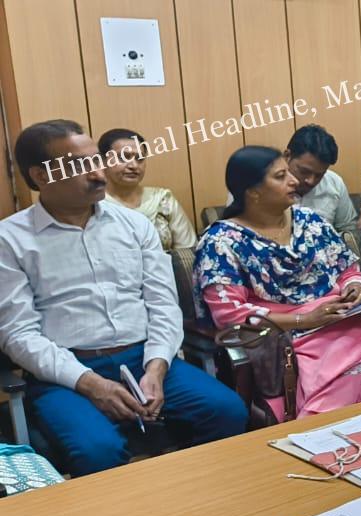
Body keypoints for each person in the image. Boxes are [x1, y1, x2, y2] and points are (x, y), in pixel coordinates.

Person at [0, 120, 245, 476]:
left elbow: (163, 305)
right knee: (97, 450)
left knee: (227, 410)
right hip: (64, 373)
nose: (98, 173)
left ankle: (196, 493)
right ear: (41, 175)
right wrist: (90, 383)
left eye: (97, 160)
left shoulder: (134, 224)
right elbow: (18, 334)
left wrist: (157, 367)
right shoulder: (10, 240)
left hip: (143, 357)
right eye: (81, 165)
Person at [194, 146, 361, 421]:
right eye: (281, 176)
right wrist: (304, 320)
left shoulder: (310, 221)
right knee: (354, 336)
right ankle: (323, 421)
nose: (294, 181)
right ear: (253, 192)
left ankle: (355, 424)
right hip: (281, 333)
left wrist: (355, 287)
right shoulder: (221, 242)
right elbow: (229, 315)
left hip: (334, 316)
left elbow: (348, 268)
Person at [97, 128, 198, 251]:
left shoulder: (162, 199)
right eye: (123, 157)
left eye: (139, 159)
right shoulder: (94, 205)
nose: (134, 165)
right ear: (102, 161)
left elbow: (188, 251)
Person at [283, 124, 359, 235]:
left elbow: (349, 231)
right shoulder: (266, 187)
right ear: (287, 156)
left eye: (319, 175)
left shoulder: (334, 184)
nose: (311, 181)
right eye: (304, 171)